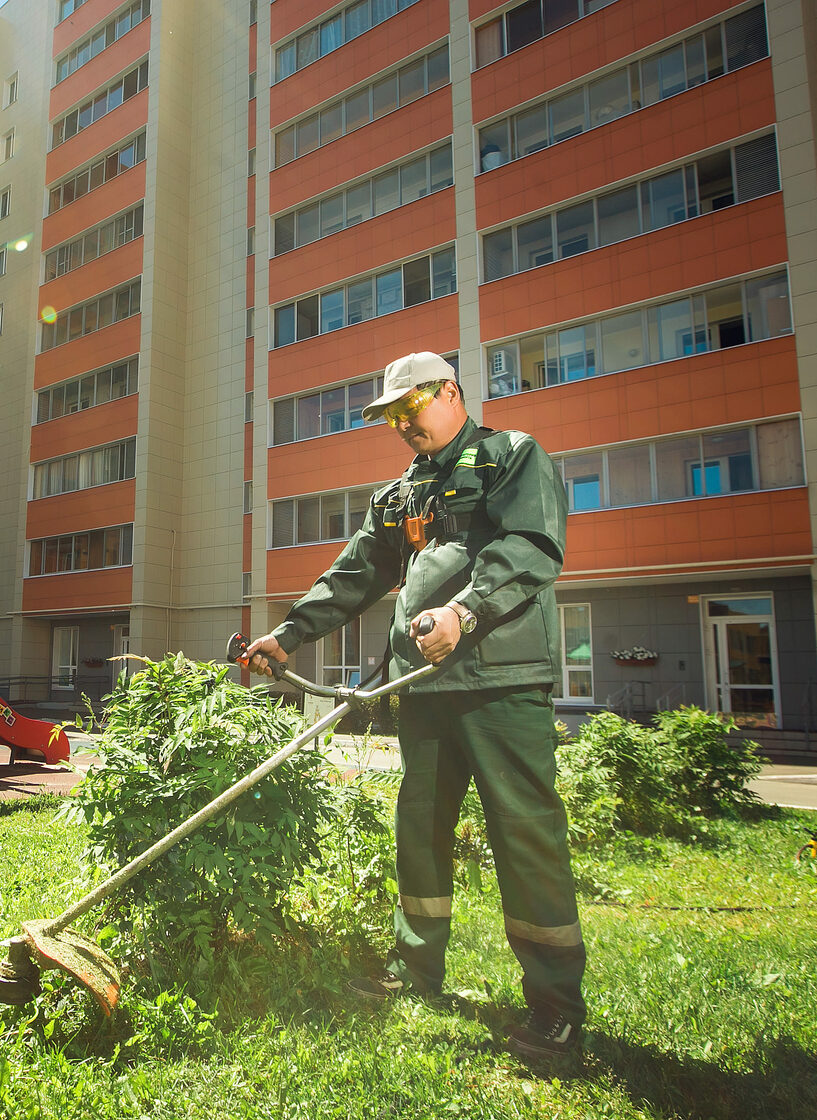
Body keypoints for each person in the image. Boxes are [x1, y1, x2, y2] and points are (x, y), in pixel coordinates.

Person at [244, 351, 586, 1061]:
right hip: (424, 690)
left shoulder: (509, 457)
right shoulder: (400, 496)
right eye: (392, 416)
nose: (403, 424)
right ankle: (416, 970)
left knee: (525, 837)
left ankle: (556, 1007)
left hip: (501, 683)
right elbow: (355, 573)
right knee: (419, 831)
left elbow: (530, 547)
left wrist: (465, 610)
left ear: (453, 393)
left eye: (414, 407)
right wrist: (287, 634)